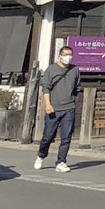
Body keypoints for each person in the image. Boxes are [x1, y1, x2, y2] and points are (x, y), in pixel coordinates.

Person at [34, 43, 81, 172]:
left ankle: (61, 162)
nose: (69, 57)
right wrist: (48, 105)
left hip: (69, 107)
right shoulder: (52, 70)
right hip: (54, 108)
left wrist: (73, 102)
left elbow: (77, 88)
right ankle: (41, 155)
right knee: (47, 136)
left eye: (70, 55)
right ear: (60, 56)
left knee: (66, 137)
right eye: (66, 55)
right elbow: (45, 88)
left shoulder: (75, 70)